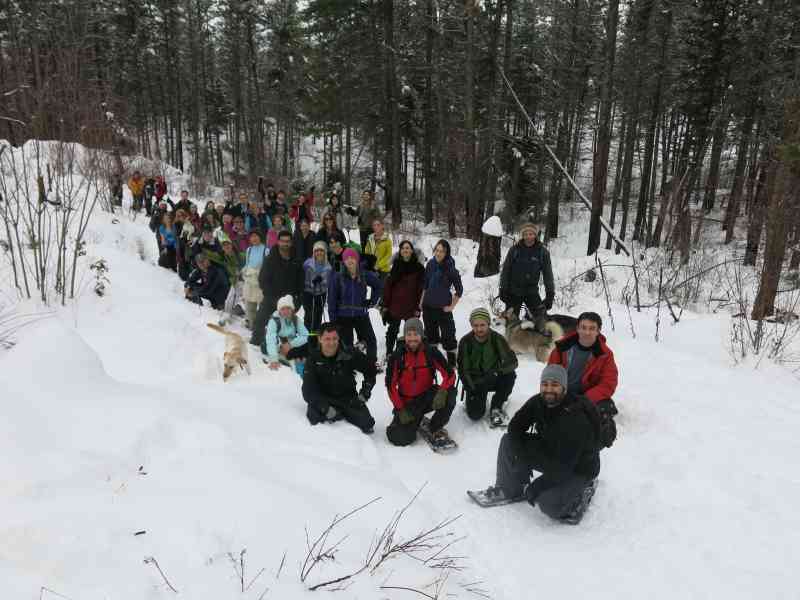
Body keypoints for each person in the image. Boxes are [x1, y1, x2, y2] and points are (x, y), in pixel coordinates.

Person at [482, 365, 600, 523]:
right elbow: (515, 427)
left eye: (555, 385)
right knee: (509, 441)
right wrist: (522, 460)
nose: (549, 389)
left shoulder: (575, 416)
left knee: (548, 504)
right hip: (552, 453)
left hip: (577, 468)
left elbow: (564, 468)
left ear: (564, 388)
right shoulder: (538, 401)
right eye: (545, 384)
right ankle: (510, 488)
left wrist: (536, 486)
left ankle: (581, 494)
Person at [385, 319, 457, 447]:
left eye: (416, 334)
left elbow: (450, 374)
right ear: (404, 336)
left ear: (421, 335)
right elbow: (390, 386)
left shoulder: (431, 352)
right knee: (400, 438)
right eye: (409, 334)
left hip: (427, 397)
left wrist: (442, 391)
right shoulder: (397, 356)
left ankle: (434, 427)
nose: (412, 338)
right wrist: (400, 409)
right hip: (408, 404)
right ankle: (412, 421)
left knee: (450, 393)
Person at [548, 311, 619, 434]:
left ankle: (600, 435)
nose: (587, 332)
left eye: (592, 328)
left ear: (598, 331)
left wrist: (585, 400)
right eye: (583, 327)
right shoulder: (562, 347)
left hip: (588, 395)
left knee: (605, 408)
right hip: (563, 393)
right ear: (577, 328)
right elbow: (551, 374)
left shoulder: (605, 354)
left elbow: (608, 383)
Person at [301, 323, 377, 433]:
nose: (331, 343)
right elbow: (308, 390)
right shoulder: (313, 359)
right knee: (315, 419)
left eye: (334, 338)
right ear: (320, 339)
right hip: (324, 398)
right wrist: (324, 408)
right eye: (327, 339)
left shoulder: (349, 353)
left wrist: (365, 393)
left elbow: (371, 369)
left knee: (367, 424)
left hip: (348, 398)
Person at [457, 307, 518, 425]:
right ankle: (472, 402)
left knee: (510, 375)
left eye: (482, 325)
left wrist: (497, 372)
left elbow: (512, 362)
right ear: (471, 325)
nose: (479, 329)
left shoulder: (497, 338)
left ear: (488, 324)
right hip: (475, 381)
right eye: (475, 325)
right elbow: (463, 369)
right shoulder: (465, 342)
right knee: (475, 415)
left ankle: (496, 406)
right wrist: (471, 388)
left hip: (493, 377)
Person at [327, 248, 382, 364]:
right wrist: (333, 321)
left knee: (371, 340)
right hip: (343, 316)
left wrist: (372, 301)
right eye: (347, 258)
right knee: (347, 345)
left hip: (361, 314)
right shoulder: (337, 276)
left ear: (357, 259)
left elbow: (378, 285)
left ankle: (371, 364)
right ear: (344, 260)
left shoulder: (364, 274)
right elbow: (331, 299)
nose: (350, 260)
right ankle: (349, 366)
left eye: (352, 257)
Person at [250, 229, 304, 347]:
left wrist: (298, 300)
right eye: (283, 241)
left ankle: (287, 346)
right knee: (260, 320)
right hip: (272, 297)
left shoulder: (297, 260)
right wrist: (271, 296)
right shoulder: (270, 259)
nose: (285, 244)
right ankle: (255, 343)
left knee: (288, 325)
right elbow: (262, 280)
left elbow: (301, 282)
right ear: (278, 242)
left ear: (291, 243)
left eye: (288, 241)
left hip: (289, 300)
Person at [499, 222, 555, 334]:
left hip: (531, 291)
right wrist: (503, 288)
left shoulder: (542, 252)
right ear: (522, 235)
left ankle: (540, 339)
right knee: (510, 321)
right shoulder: (514, 250)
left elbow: (548, 274)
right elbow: (506, 270)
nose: (528, 237)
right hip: (514, 291)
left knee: (541, 318)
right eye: (526, 234)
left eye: (531, 234)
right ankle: (511, 341)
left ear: (535, 235)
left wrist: (550, 293)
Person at [420, 239, 462, 368]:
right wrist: (421, 302)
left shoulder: (450, 268)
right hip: (428, 307)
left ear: (446, 253)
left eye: (442, 251)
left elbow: (459, 289)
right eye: (437, 250)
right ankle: (433, 361)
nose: (438, 253)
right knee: (431, 336)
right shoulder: (430, 264)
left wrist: (451, 306)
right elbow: (425, 285)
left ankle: (451, 363)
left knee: (448, 335)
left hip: (443, 309)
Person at [381, 240, 424, 356]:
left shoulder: (419, 268)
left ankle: (411, 354)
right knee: (392, 330)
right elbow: (388, 287)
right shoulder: (395, 266)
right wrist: (385, 305)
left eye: (408, 248)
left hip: (411, 306)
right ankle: (389, 353)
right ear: (400, 251)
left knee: (412, 332)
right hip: (395, 306)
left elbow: (421, 290)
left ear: (412, 251)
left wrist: (418, 307)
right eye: (403, 248)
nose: (405, 250)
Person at [263, 295, 310, 376]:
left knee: (309, 345)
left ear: (292, 309)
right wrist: (274, 359)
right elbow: (271, 340)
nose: (286, 311)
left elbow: (306, 335)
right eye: (283, 309)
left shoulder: (295, 319)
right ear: (279, 310)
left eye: (288, 308)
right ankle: (295, 361)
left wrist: (290, 344)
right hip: (277, 345)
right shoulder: (274, 321)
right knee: (275, 343)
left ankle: (303, 362)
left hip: (290, 344)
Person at [302, 241, 332, 336]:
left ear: (325, 252)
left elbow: (328, 282)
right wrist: (311, 282)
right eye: (316, 251)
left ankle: (316, 334)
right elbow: (302, 277)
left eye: (321, 250)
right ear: (313, 252)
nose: (319, 253)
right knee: (309, 314)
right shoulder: (307, 264)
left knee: (318, 314)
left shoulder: (328, 267)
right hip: (308, 293)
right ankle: (306, 334)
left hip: (321, 293)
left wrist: (321, 280)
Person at [242, 230, 266, 328]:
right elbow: (247, 264)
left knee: (262, 306)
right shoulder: (249, 250)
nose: (254, 238)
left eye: (256, 236)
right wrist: (243, 271)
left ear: (260, 237)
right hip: (249, 280)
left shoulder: (266, 250)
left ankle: (262, 326)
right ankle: (252, 325)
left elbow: (268, 267)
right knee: (249, 305)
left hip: (260, 281)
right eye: (252, 236)